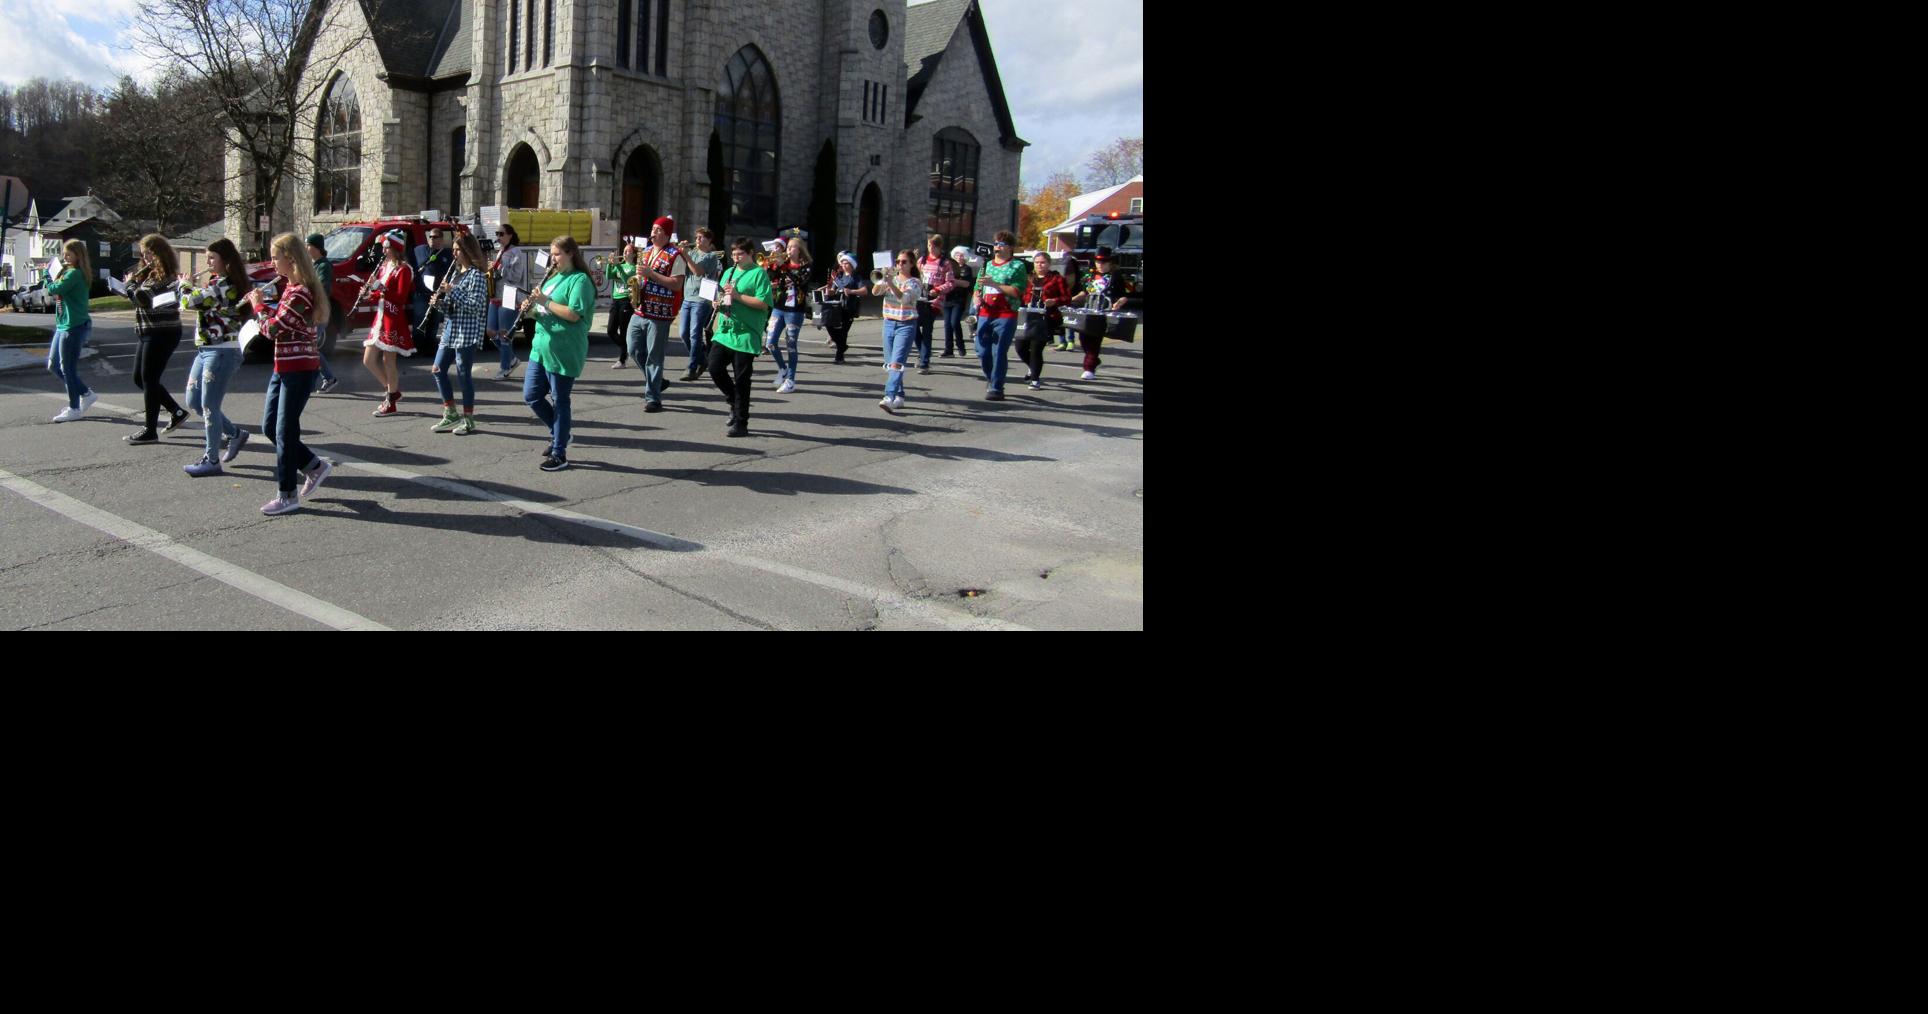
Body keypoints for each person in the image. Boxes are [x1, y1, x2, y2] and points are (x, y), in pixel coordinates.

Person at [247, 232, 332, 516]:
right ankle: (314, 466)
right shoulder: (291, 288)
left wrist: (258, 307)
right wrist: (265, 308)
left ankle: (287, 495)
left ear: (291, 258)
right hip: (283, 366)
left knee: (285, 431)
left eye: (275, 257)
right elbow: (280, 323)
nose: (272, 263)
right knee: (270, 427)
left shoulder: (301, 293)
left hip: (299, 369)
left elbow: (273, 329)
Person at [179, 238, 257, 477]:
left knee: (209, 405)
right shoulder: (216, 282)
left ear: (226, 260)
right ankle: (235, 434)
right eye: (207, 257)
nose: (208, 262)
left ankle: (211, 459)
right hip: (206, 348)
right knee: (193, 401)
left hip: (223, 350)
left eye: (212, 257)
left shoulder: (226, 285)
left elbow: (189, 301)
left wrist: (184, 285)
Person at [519, 234, 595, 471]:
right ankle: (560, 433)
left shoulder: (580, 280)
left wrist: (545, 301)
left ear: (570, 254)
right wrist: (529, 310)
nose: (553, 259)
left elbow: (573, 314)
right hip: (541, 347)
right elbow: (542, 311)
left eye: (557, 254)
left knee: (560, 400)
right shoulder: (552, 277)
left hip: (564, 349)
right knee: (531, 395)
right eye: (551, 254)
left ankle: (559, 453)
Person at [122, 234, 190, 443]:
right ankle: (176, 411)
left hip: (163, 332)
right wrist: (131, 287)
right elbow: (140, 297)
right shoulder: (148, 274)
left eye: (150, 254)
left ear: (161, 254)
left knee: (150, 379)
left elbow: (143, 298)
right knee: (139, 378)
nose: (147, 258)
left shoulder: (166, 276)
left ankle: (150, 430)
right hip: (148, 331)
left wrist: (129, 286)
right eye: (144, 255)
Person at [428, 232, 490, 435]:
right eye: (453, 250)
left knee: (463, 375)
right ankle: (451, 413)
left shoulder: (477, 276)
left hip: (467, 332)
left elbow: (474, 306)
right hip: (450, 330)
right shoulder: (455, 274)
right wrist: (439, 303)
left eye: (457, 250)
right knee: (438, 369)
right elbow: (452, 307)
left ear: (467, 251)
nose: (453, 253)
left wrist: (452, 291)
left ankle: (469, 419)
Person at [709, 237, 771, 438]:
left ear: (750, 253)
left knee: (742, 379)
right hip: (725, 330)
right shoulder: (729, 271)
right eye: (734, 254)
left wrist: (737, 296)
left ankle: (741, 423)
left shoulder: (759, 273)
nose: (736, 257)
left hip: (746, 333)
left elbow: (763, 303)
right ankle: (733, 399)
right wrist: (717, 302)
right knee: (714, 367)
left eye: (740, 254)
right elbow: (721, 295)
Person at [625, 216, 684, 412]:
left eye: (658, 230)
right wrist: (636, 282)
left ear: (667, 234)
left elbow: (677, 284)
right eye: (653, 229)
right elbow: (642, 277)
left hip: (660, 313)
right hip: (640, 309)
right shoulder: (647, 251)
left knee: (654, 357)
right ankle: (658, 381)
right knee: (633, 349)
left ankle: (653, 398)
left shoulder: (675, 255)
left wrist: (651, 274)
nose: (653, 233)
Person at [971, 231, 1030, 401]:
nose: (997, 247)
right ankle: (991, 377)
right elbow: (977, 287)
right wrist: (976, 296)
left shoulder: (1017, 266)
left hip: (1005, 313)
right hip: (985, 312)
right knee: (982, 350)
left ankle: (997, 387)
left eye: (1001, 244)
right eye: (996, 244)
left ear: (1010, 248)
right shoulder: (987, 265)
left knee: (999, 351)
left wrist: (995, 284)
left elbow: (1017, 291)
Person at [362, 229, 415, 415]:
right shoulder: (384, 266)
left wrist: (379, 287)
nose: (383, 251)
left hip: (393, 318)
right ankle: (392, 391)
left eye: (386, 247)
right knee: (368, 360)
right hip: (381, 317)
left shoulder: (404, 270)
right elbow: (380, 294)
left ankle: (391, 400)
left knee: (388, 360)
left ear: (396, 248)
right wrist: (369, 294)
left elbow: (400, 298)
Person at [44, 239, 97, 423]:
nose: (65, 257)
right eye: (64, 253)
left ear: (78, 255)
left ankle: (74, 408)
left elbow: (55, 289)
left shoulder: (75, 273)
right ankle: (86, 394)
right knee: (53, 365)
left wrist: (47, 276)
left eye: (69, 254)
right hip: (63, 325)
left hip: (73, 326)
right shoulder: (68, 272)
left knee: (67, 369)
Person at [1067, 246, 1137, 380]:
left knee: (1095, 340)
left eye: (1103, 262)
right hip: (1088, 311)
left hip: (1104, 312)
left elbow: (1124, 295)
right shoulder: (1089, 276)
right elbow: (1084, 292)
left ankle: (1089, 368)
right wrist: (1071, 299)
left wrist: (1119, 303)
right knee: (1083, 339)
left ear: (1110, 262)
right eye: (1098, 262)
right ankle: (1095, 361)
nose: (1100, 265)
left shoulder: (1116, 277)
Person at [870, 249, 924, 414]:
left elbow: (904, 299)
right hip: (888, 323)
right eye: (898, 261)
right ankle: (899, 395)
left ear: (911, 264)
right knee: (890, 364)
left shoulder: (915, 282)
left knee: (896, 363)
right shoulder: (890, 278)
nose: (900, 264)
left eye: (904, 262)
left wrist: (891, 284)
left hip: (906, 324)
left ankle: (889, 396)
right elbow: (875, 292)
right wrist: (883, 279)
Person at [763, 235, 814, 393]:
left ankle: (791, 380)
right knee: (770, 343)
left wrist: (783, 267)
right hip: (779, 307)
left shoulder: (806, 266)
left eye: (792, 247)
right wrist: (771, 265)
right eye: (788, 247)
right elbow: (771, 278)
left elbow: (800, 282)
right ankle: (783, 369)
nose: (789, 250)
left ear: (800, 250)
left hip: (795, 310)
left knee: (791, 345)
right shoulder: (782, 264)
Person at [1017, 251, 1070, 390]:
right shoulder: (1028, 278)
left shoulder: (1057, 279)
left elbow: (1067, 298)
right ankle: (1032, 367)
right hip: (1027, 316)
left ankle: (1035, 379)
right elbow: (1020, 295)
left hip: (1046, 317)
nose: (1039, 265)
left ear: (1049, 264)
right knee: (1020, 347)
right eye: (1037, 262)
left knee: (1036, 348)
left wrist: (1055, 301)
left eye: (1042, 262)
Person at [677, 227, 722, 381]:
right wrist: (679, 251)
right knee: (683, 333)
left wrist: (686, 254)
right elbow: (679, 265)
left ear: (709, 240)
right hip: (688, 296)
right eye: (696, 237)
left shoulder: (711, 257)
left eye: (701, 237)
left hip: (702, 299)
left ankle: (692, 367)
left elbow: (697, 271)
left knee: (694, 334)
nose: (697, 240)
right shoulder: (693, 252)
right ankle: (702, 359)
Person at [486, 223, 527, 379]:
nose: (498, 237)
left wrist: (499, 268)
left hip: (509, 295)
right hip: (496, 295)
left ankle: (505, 368)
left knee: (504, 334)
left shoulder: (516, 252)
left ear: (510, 235)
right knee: (491, 331)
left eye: (501, 234)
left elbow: (516, 276)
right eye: (497, 234)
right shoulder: (500, 251)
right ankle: (512, 359)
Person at [915, 234, 955, 373]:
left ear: (939, 247)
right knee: (913, 327)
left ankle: (924, 363)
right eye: (929, 245)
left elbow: (950, 283)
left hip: (933, 301)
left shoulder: (945, 263)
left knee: (927, 331)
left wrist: (938, 290)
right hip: (919, 299)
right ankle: (923, 353)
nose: (931, 248)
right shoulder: (922, 260)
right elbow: (915, 276)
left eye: (934, 246)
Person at [306, 234, 340, 393]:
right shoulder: (313, 265)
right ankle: (321, 378)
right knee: (309, 346)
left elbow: (322, 289)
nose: (306, 248)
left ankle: (328, 378)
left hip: (320, 311)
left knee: (310, 346)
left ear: (316, 247)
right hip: (313, 311)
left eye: (308, 245)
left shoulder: (324, 266)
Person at [817, 251, 865, 364]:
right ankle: (842, 346)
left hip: (849, 308)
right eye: (842, 263)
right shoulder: (839, 276)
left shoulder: (856, 277)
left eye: (846, 263)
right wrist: (827, 291)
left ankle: (839, 356)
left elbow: (864, 291)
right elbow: (834, 290)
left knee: (843, 332)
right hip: (836, 307)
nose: (843, 265)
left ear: (852, 265)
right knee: (829, 325)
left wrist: (851, 291)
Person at [601, 241, 637, 368]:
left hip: (626, 299)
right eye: (624, 251)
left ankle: (622, 360)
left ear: (633, 254)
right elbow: (609, 276)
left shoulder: (634, 268)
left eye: (628, 251)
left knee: (623, 330)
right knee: (611, 330)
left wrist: (618, 266)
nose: (625, 253)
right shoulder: (619, 265)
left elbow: (627, 280)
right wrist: (609, 264)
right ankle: (627, 349)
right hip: (615, 299)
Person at [411, 227, 451, 332]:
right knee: (418, 324)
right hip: (422, 294)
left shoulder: (448, 254)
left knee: (433, 326)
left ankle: (431, 342)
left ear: (441, 239)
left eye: (435, 237)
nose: (432, 239)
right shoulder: (419, 250)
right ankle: (418, 342)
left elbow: (451, 274)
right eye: (430, 236)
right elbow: (410, 265)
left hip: (437, 296)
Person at [942, 244, 974, 358]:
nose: (959, 257)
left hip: (959, 299)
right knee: (947, 324)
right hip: (947, 298)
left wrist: (952, 281)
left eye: (961, 255)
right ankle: (948, 350)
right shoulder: (948, 267)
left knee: (954, 322)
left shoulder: (967, 269)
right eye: (957, 255)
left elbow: (966, 284)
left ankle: (961, 346)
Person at [1055, 255, 1083, 351]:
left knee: (1070, 321)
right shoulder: (1059, 277)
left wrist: (1072, 299)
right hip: (1062, 302)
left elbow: (1082, 292)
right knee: (1060, 322)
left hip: (1072, 302)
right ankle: (1062, 342)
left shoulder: (1078, 279)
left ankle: (1070, 341)